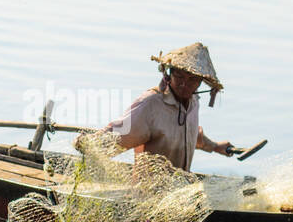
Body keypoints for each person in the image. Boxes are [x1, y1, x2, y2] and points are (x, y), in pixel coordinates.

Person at [80, 42, 231, 172]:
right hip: (148, 194)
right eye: (179, 76)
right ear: (168, 74)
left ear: (201, 82)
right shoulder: (151, 105)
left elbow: (189, 134)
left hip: (179, 190)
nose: (184, 84)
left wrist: (215, 147)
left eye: (192, 79)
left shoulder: (193, 103)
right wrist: (89, 143)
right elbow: (121, 131)